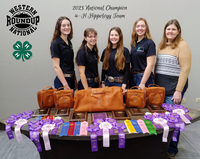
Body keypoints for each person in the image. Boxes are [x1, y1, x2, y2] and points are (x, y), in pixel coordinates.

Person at [155, 19, 191, 159]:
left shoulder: (183, 45)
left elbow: (185, 69)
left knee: (173, 120)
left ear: (179, 31)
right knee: (161, 120)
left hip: (174, 89)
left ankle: (172, 149)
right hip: (160, 89)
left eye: (173, 29)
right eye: (168, 29)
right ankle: (161, 146)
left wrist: (178, 90)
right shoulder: (162, 45)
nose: (170, 31)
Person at [101, 27, 131, 93]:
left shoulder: (125, 51)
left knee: (119, 103)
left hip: (120, 83)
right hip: (107, 83)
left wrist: (124, 84)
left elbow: (127, 69)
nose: (113, 37)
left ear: (120, 36)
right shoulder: (105, 51)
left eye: (116, 35)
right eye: (112, 35)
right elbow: (104, 68)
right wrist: (102, 82)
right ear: (109, 37)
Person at [50, 16, 77, 90]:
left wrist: (74, 79)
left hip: (71, 79)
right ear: (59, 28)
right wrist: (65, 84)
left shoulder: (69, 42)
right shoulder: (56, 43)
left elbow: (69, 62)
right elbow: (56, 66)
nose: (67, 27)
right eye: (63, 25)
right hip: (62, 81)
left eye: (68, 25)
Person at [129, 18, 156, 90]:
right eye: (138, 26)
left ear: (146, 28)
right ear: (135, 28)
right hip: (133, 76)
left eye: (142, 26)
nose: (140, 28)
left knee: (143, 100)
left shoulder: (149, 43)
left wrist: (143, 82)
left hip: (143, 77)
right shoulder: (133, 43)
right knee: (133, 100)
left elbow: (150, 65)